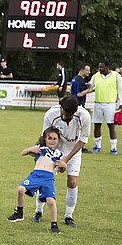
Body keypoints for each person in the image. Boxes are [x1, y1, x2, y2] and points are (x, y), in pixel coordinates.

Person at [32, 95, 90, 228]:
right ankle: (38, 211)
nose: (64, 117)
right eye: (62, 113)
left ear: (75, 112)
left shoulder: (84, 116)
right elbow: (46, 137)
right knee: (44, 179)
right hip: (54, 149)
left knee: (72, 182)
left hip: (73, 151)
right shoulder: (51, 114)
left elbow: (83, 140)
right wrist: (42, 154)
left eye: (67, 115)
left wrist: (66, 159)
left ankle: (68, 216)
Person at [7, 127, 67, 234]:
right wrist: (31, 149)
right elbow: (23, 152)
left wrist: (64, 165)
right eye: (49, 138)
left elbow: (61, 170)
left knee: (51, 201)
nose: (52, 141)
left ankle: (54, 224)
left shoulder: (59, 154)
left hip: (48, 178)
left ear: (58, 140)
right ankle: (19, 213)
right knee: (21, 189)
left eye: (54, 139)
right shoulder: (40, 148)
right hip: (36, 175)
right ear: (45, 138)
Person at [88, 61, 122, 154]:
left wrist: (121, 103)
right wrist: (87, 87)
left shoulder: (116, 76)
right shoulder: (96, 76)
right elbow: (90, 87)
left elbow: (121, 90)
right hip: (98, 103)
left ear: (107, 67)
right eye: (99, 67)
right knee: (97, 125)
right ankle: (97, 145)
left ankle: (113, 147)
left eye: (101, 67)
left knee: (111, 125)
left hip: (110, 104)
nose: (99, 69)